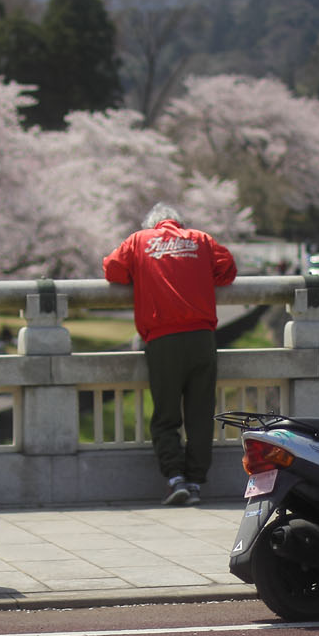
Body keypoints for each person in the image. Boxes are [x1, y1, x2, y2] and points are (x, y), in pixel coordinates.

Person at [103, 203, 237, 505]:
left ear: (153, 225)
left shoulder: (139, 241)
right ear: (180, 223)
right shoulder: (201, 239)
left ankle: (175, 477)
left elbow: (112, 270)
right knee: (200, 414)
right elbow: (227, 270)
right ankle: (196, 482)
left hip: (163, 340)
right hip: (202, 338)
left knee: (166, 415)